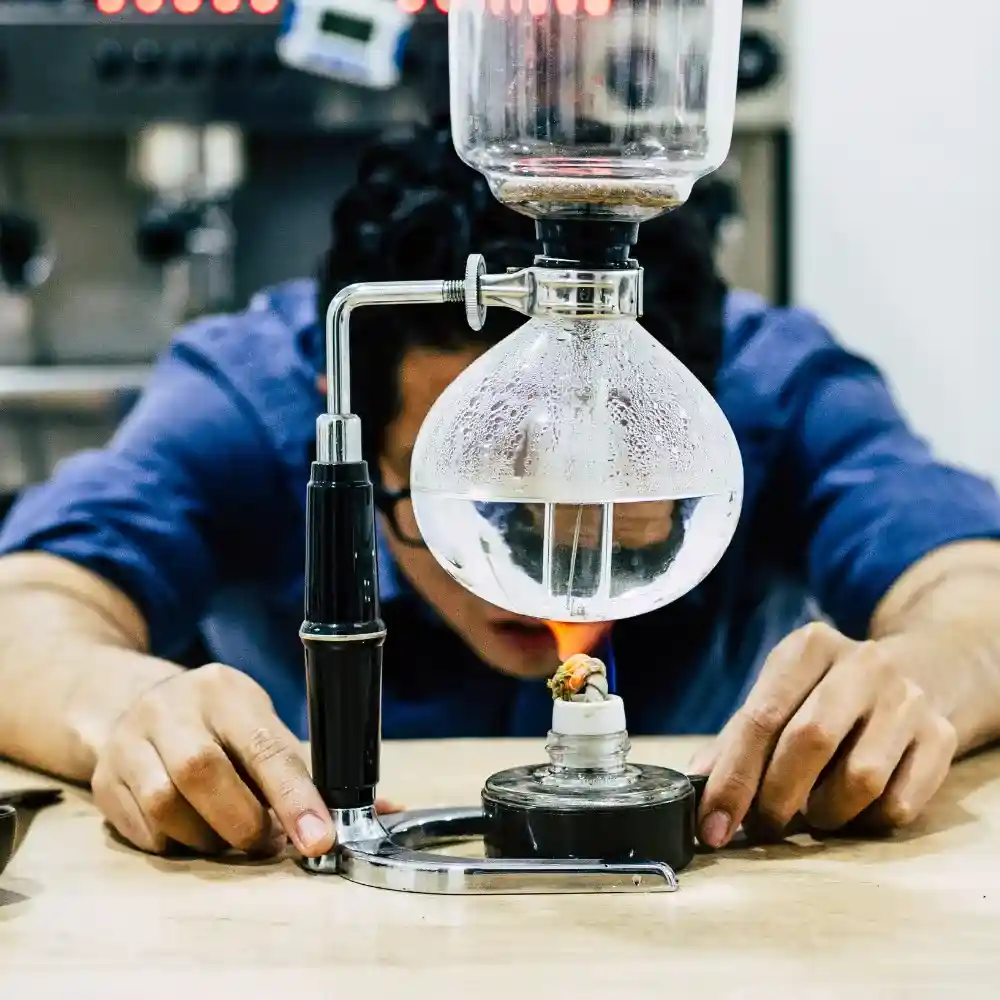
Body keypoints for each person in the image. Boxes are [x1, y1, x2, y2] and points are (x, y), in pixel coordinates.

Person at [2, 121, 1000, 862]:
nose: (542, 587)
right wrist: (126, 706)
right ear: (347, 417)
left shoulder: (768, 386)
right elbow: (26, 615)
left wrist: (925, 674)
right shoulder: (254, 403)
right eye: (489, 513)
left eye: (609, 516)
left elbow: (973, 587)